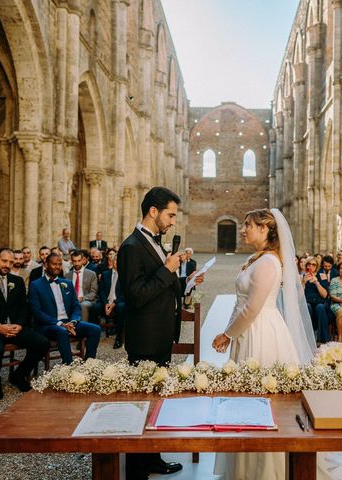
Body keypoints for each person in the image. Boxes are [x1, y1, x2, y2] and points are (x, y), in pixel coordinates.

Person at [211, 208, 316, 478]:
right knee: (246, 397)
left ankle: (266, 468)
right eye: (244, 224)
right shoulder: (257, 258)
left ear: (266, 230)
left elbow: (252, 308)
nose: (244, 229)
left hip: (261, 332)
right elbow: (242, 305)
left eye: (249, 225)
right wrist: (231, 332)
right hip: (249, 332)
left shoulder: (269, 263)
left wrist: (226, 334)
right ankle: (245, 462)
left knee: (260, 397)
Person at [117, 186, 188, 479]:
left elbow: (166, 287)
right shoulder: (132, 247)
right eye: (170, 215)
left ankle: (152, 458)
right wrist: (167, 268)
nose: (173, 221)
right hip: (144, 337)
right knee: (141, 405)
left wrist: (186, 278)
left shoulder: (157, 242)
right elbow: (135, 295)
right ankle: (136, 470)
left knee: (156, 401)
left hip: (160, 334)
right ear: (154, 211)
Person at [0, 248, 49, 400]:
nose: (7, 265)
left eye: (11, 262)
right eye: (4, 261)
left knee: (42, 343)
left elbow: (23, 307)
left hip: (15, 328)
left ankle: (19, 375)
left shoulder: (17, 281)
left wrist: (19, 324)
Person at [29, 253, 101, 364]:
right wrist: (60, 324)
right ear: (46, 265)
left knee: (95, 329)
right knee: (62, 331)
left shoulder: (66, 283)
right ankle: (69, 367)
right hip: (48, 325)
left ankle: (89, 364)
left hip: (69, 322)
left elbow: (76, 306)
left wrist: (73, 321)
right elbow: (37, 312)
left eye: (59, 264)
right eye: (54, 264)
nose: (57, 267)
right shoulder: (36, 285)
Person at [99, 254, 125, 349]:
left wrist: (114, 304)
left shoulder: (125, 276)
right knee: (94, 307)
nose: (117, 263)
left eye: (120, 261)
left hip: (119, 302)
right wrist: (105, 303)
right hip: (106, 301)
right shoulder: (105, 274)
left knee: (121, 307)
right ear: (111, 262)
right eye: (116, 261)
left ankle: (119, 338)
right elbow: (101, 291)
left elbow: (125, 294)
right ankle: (91, 336)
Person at [66, 250, 99, 323]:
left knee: (83, 305)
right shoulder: (68, 275)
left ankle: (84, 328)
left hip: (87, 300)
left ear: (83, 260)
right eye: (74, 261)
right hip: (72, 300)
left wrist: (82, 298)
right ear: (71, 261)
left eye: (79, 260)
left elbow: (93, 293)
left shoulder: (91, 274)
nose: (77, 263)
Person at [301, 256, 329, 333]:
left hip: (319, 302)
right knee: (307, 306)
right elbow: (299, 296)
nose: (311, 266)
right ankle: (307, 334)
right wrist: (303, 282)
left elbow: (324, 295)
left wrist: (317, 283)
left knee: (320, 307)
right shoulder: (301, 277)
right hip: (307, 301)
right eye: (309, 264)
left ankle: (322, 338)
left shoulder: (322, 276)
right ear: (306, 265)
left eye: (314, 265)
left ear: (317, 266)